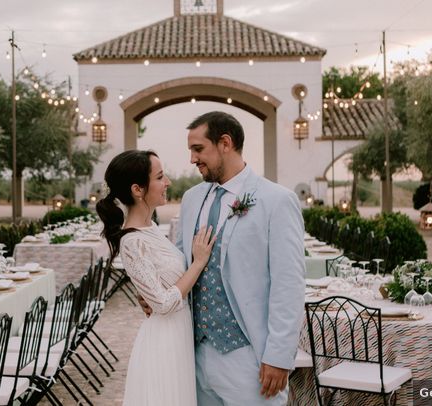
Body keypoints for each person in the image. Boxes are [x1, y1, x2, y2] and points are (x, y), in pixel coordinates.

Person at [171, 111, 305, 405]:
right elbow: (179, 262)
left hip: (249, 357)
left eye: (198, 149)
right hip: (194, 355)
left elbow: (289, 283)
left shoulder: (276, 200)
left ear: (225, 143)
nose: (192, 159)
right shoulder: (193, 198)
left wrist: (279, 356)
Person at [98, 149, 216, 406]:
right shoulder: (132, 242)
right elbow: (162, 303)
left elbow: (158, 285)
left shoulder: (150, 228)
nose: (168, 183)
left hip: (179, 331)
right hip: (165, 340)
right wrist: (198, 263)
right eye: (160, 177)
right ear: (137, 190)